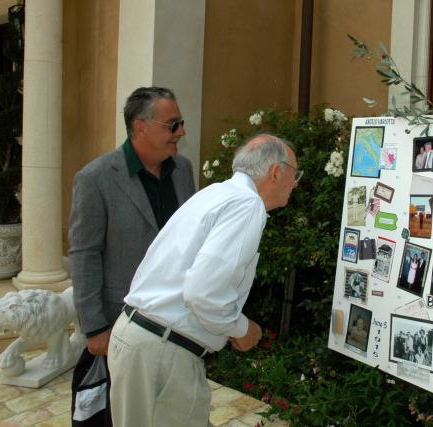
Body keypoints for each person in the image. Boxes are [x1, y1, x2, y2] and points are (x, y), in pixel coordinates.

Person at [107, 134, 300, 427]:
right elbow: (203, 293)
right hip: (160, 351)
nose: (295, 183)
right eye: (294, 174)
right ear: (275, 173)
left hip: (138, 338)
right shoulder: (247, 205)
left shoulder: (216, 194)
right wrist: (242, 329)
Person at [69, 86, 195, 425]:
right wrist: (95, 328)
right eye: (173, 124)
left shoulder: (182, 170)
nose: (181, 132)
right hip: (121, 327)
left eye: (180, 123)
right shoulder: (94, 179)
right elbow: (84, 254)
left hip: (178, 325)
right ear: (140, 126)